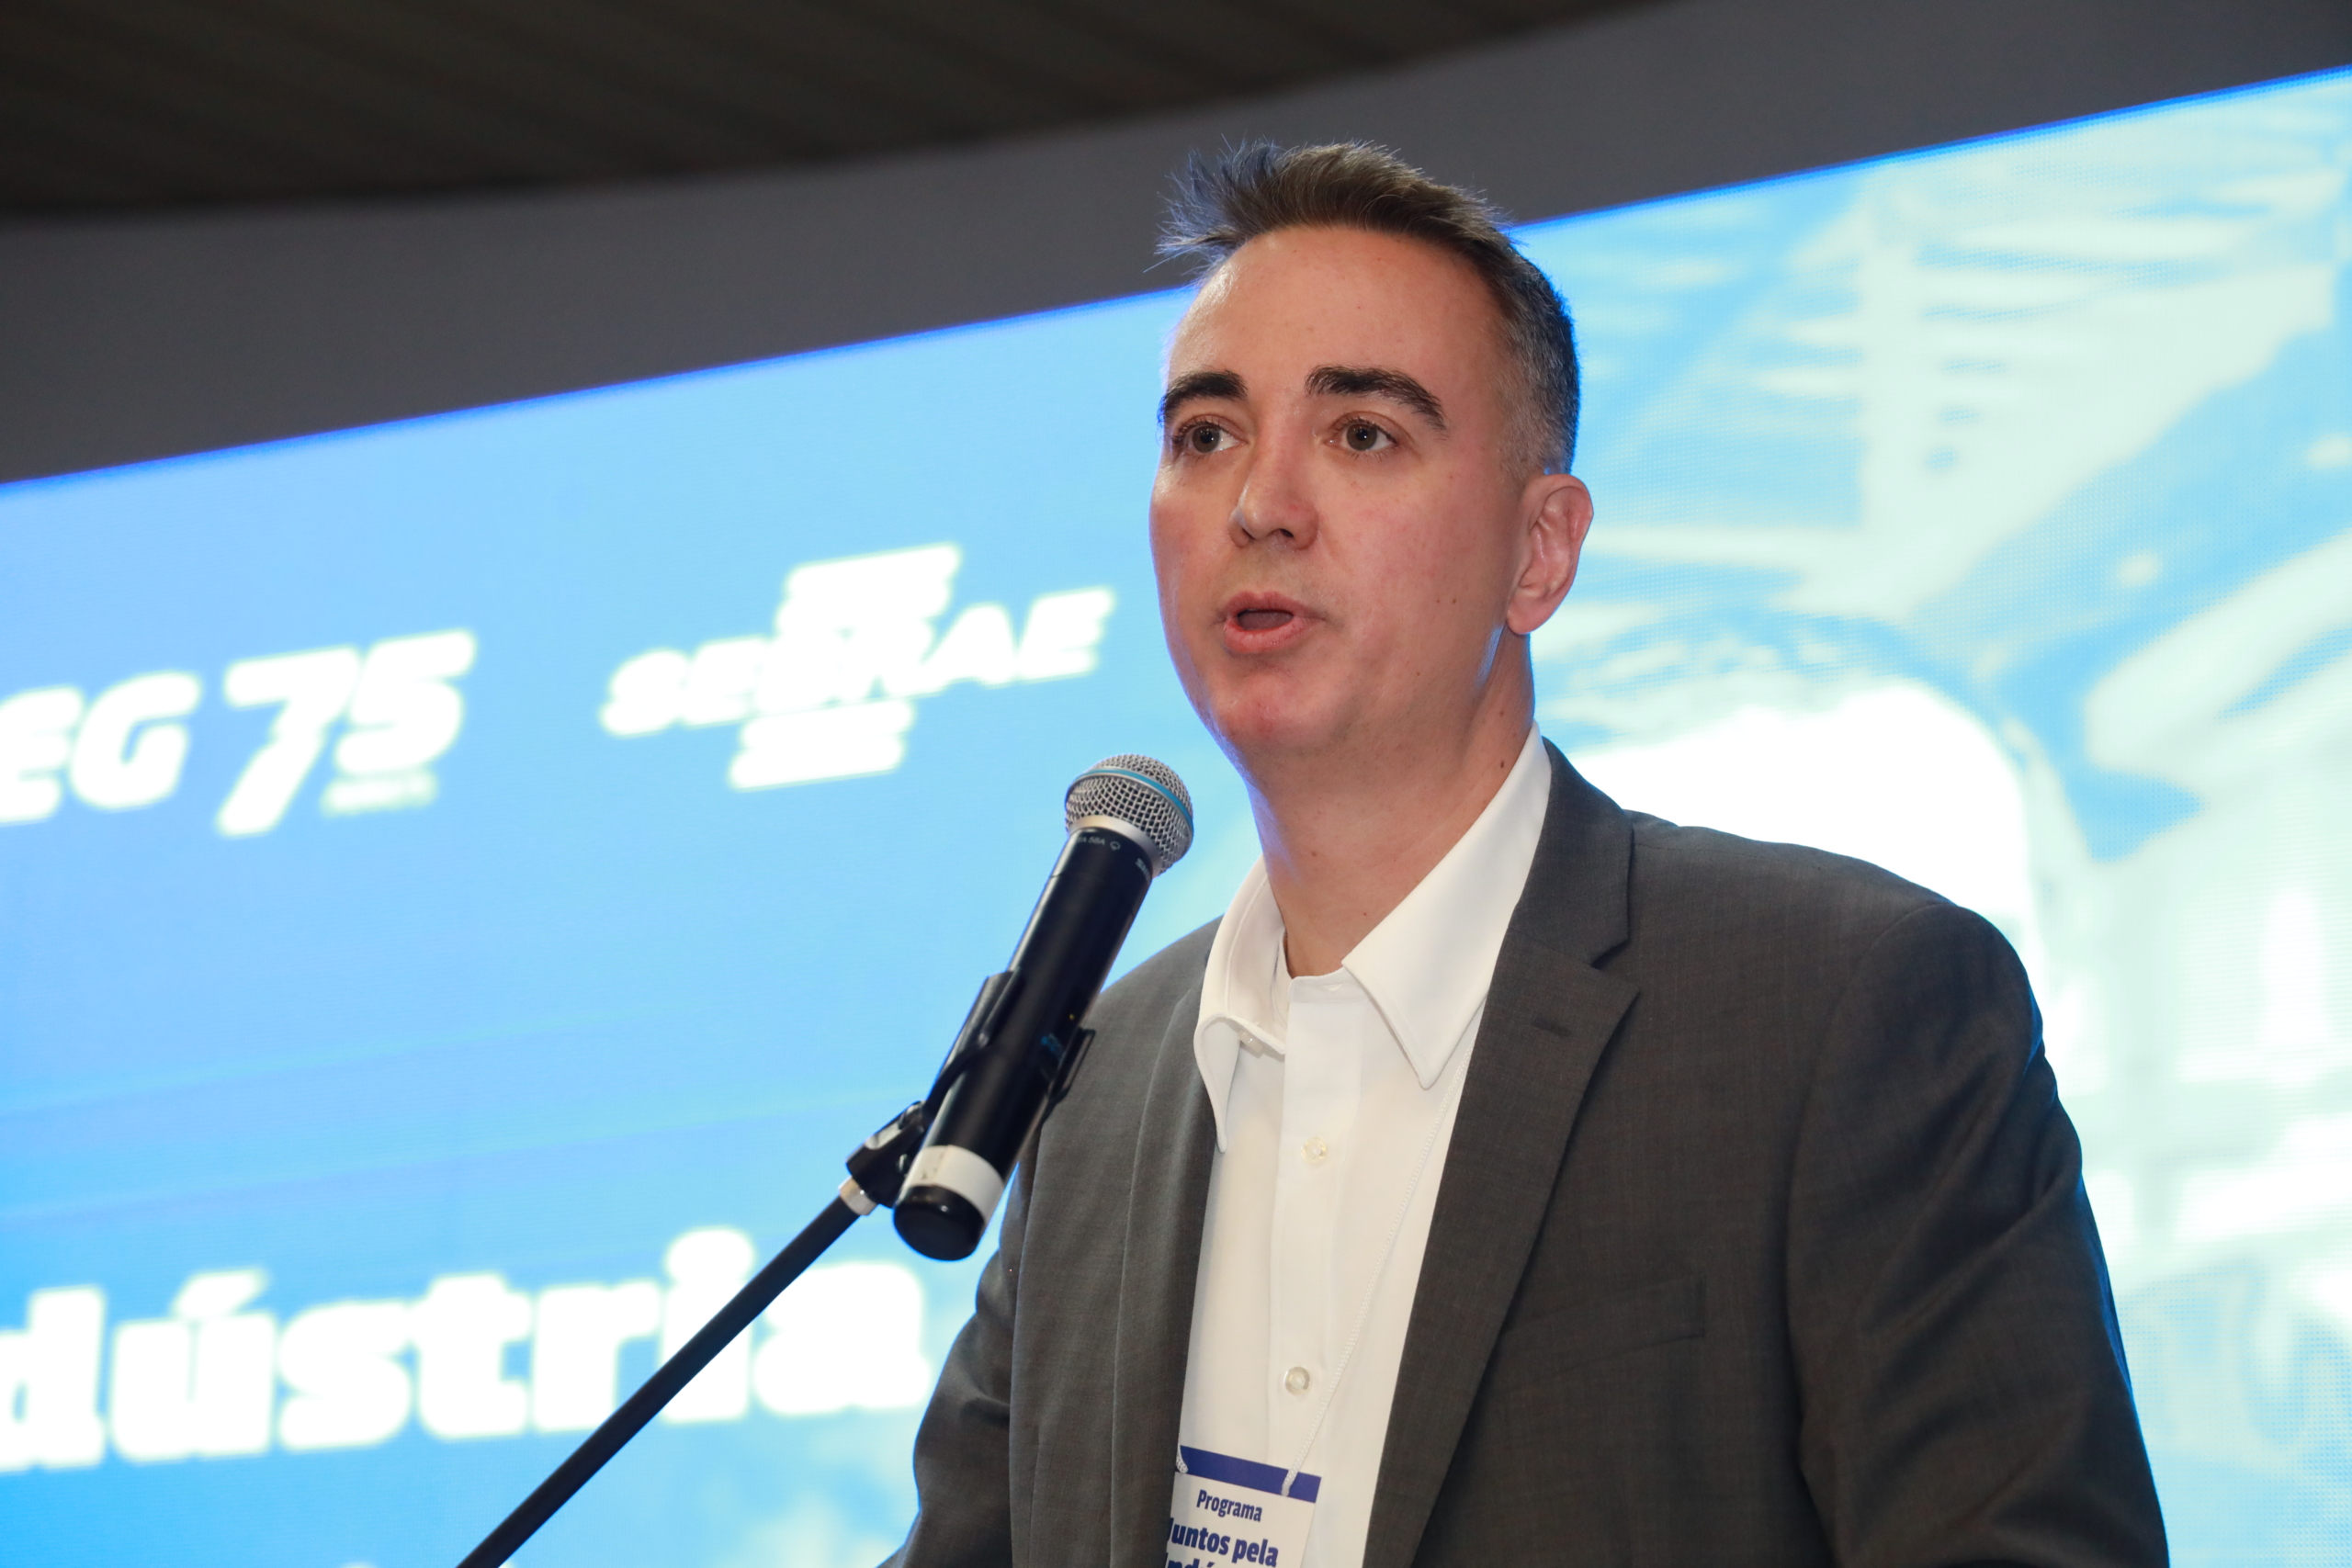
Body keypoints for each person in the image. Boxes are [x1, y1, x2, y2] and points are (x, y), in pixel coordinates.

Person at [886, 143, 2165, 1568]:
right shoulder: (1091, 1079)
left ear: (1540, 551)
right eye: (1206, 435)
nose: (1261, 502)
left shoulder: (1845, 1010)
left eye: (1362, 433)